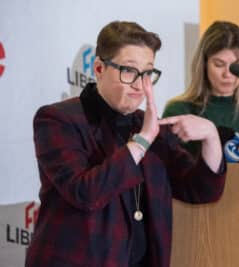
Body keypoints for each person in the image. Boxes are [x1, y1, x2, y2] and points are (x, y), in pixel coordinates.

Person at [25, 21, 226, 267]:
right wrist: (141, 142)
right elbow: (85, 193)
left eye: (148, 73)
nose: (140, 85)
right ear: (99, 68)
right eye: (129, 71)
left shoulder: (149, 126)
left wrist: (211, 137)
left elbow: (200, 190)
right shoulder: (59, 119)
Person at [162, 21, 239, 163]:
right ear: (203, 65)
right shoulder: (179, 111)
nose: (228, 74)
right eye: (219, 64)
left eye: (235, 67)